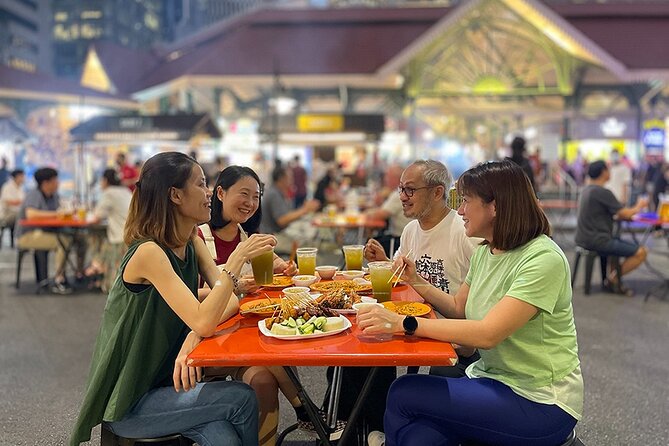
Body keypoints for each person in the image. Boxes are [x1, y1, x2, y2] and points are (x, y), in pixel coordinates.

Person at [360, 160, 583, 446]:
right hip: (489, 379)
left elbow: (488, 334)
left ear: (495, 206)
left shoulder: (542, 259)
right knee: (419, 437)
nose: (460, 210)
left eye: (466, 201)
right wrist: (415, 280)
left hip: (539, 399)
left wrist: (405, 324)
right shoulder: (485, 251)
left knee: (404, 391)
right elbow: (458, 308)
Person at [69, 152, 271, 446]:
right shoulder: (149, 252)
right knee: (241, 397)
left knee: (224, 436)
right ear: (175, 195)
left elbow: (229, 302)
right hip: (130, 402)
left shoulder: (191, 241)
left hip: (169, 388)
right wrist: (237, 260)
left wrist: (193, 334)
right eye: (201, 185)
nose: (207, 194)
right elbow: (207, 317)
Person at [197, 165, 329, 445]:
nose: (250, 203)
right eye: (243, 194)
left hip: (238, 332)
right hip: (207, 338)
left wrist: (287, 269)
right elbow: (188, 294)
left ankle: (288, 424)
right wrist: (234, 285)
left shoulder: (246, 236)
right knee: (269, 348)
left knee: (264, 380)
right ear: (220, 192)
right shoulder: (198, 238)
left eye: (255, 197)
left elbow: (275, 268)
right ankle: (306, 409)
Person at [575, 160, 648, 296]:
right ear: (603, 172)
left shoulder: (586, 189)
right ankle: (613, 279)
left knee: (616, 246)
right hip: (599, 240)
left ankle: (613, 278)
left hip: (583, 238)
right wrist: (639, 205)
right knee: (641, 252)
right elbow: (624, 213)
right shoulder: (602, 192)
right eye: (608, 169)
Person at [16, 167, 86, 294]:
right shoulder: (34, 194)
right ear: (45, 183)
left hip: (47, 232)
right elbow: (31, 214)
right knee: (63, 242)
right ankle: (59, 279)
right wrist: (56, 214)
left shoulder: (54, 196)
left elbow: (63, 209)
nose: (58, 183)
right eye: (55, 180)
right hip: (28, 235)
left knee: (80, 239)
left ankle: (79, 273)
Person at [87, 169, 132, 292]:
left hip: (120, 238)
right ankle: (98, 265)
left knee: (92, 235)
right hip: (132, 234)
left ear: (105, 181)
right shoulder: (126, 191)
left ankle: (97, 264)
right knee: (100, 235)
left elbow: (96, 218)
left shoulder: (109, 193)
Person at [259, 165, 320, 253]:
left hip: (278, 234)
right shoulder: (274, 194)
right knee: (308, 246)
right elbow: (282, 220)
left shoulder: (279, 192)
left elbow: (287, 215)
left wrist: (304, 209)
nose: (292, 179)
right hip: (272, 238)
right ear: (281, 178)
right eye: (290, 177)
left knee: (309, 233)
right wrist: (305, 209)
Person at [0, 169, 26, 247]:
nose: (23, 178)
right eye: (22, 176)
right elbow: (8, 202)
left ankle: (25, 240)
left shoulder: (20, 188)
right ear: (17, 177)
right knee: (21, 215)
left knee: (23, 215)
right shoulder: (7, 187)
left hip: (16, 213)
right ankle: (20, 240)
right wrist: (21, 202)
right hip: (6, 214)